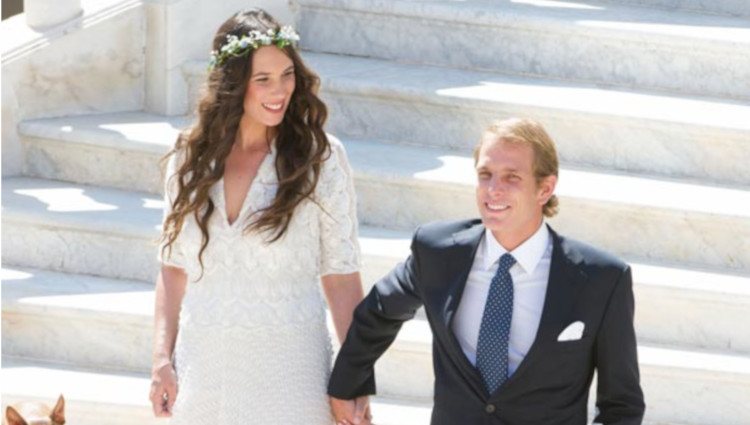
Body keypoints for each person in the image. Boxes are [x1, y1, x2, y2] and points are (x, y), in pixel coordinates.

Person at [328, 118, 645, 425]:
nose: (493, 189)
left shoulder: (601, 280)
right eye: (485, 174)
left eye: (512, 178)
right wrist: (347, 384)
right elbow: (379, 312)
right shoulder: (437, 252)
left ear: (545, 188)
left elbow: (622, 405)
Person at [149, 9, 369, 424]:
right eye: (263, 79)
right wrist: (162, 358)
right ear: (233, 85)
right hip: (203, 374)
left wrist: (353, 379)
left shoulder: (319, 159)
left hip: (291, 378)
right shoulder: (190, 157)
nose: (280, 90)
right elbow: (173, 266)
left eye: (287, 75)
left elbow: (342, 278)